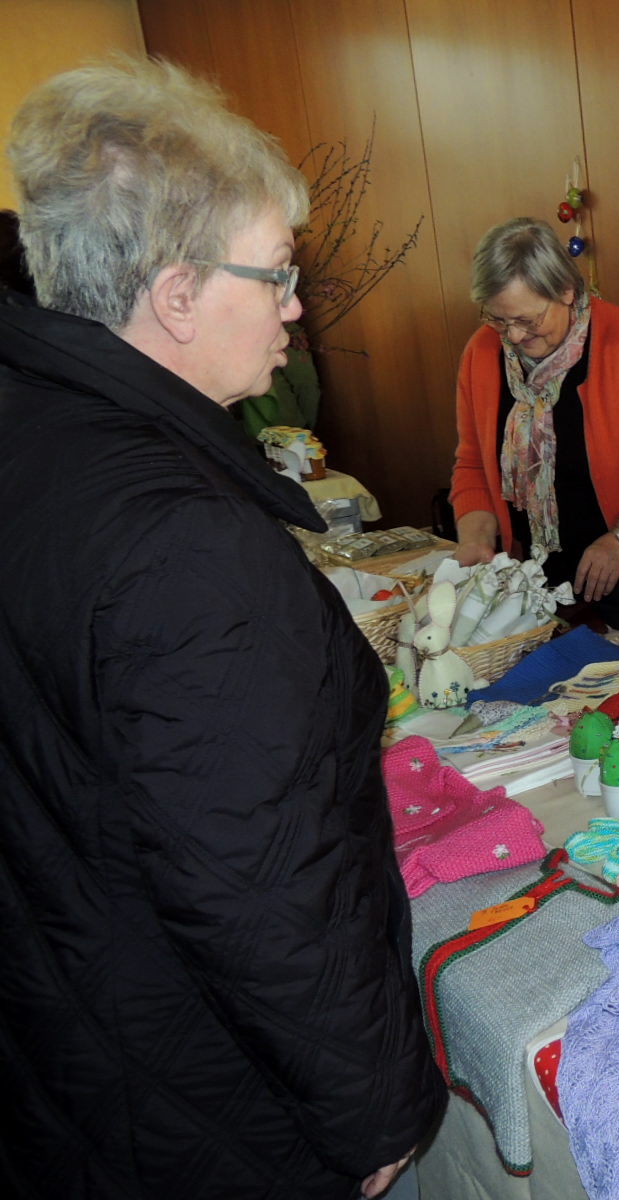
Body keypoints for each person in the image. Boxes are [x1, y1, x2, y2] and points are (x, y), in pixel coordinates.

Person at [0, 59, 444, 1199]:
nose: (296, 306)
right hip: (208, 1098)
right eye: (277, 274)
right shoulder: (184, 544)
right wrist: (375, 1113)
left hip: (80, 1039)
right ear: (179, 295)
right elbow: (258, 884)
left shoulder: (35, 426)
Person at [450, 218, 619, 638]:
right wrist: (475, 540)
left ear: (566, 291)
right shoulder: (482, 352)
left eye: (527, 320)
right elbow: (473, 462)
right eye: (498, 319)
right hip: (530, 574)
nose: (513, 336)